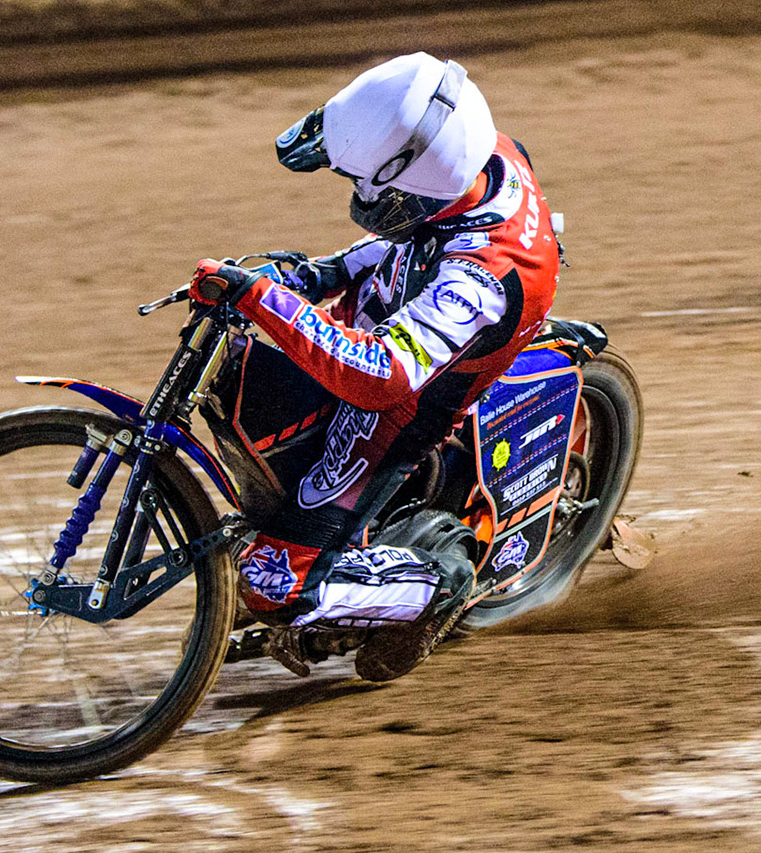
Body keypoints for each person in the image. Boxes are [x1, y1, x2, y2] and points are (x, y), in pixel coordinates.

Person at [185, 52, 563, 682]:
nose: (357, 193)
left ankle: (443, 582)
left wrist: (263, 297)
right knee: (240, 384)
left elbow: (378, 378)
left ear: (411, 179)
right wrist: (320, 274)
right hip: (406, 316)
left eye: (364, 182)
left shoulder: (479, 281)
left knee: (272, 586)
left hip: (401, 406)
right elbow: (408, 235)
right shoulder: (470, 146)